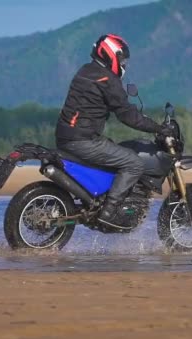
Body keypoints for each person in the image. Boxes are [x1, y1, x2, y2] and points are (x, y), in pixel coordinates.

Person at [55, 33, 171, 229]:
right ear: (110, 54)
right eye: (122, 59)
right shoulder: (107, 78)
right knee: (134, 163)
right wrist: (158, 127)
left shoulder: (86, 70)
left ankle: (101, 199)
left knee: (115, 151)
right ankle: (109, 213)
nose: (124, 64)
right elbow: (127, 115)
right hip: (84, 140)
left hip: (66, 137)